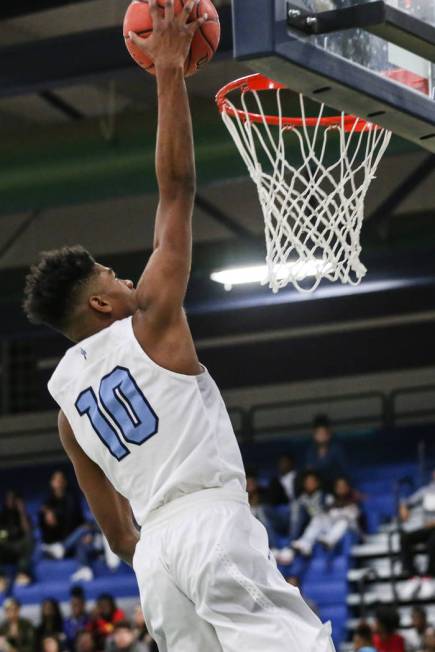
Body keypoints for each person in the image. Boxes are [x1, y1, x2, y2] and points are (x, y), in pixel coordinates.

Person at [22, 3, 335, 651]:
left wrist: (154, 553)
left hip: (156, 559)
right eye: (112, 275)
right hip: (211, 524)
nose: (126, 278)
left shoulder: (66, 408)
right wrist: (168, 70)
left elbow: (112, 530)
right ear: (101, 306)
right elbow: (177, 191)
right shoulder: (149, 323)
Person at [290, 476, 360, 556]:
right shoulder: (332, 500)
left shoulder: (354, 499)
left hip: (352, 531)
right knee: (318, 518)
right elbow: (329, 514)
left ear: (347, 487)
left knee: (343, 521)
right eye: (338, 486)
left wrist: (338, 512)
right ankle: (305, 543)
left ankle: (329, 540)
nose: (340, 488)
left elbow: (353, 518)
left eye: (343, 486)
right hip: (333, 528)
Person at [399, 470, 435, 601]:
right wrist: (404, 509)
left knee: (433, 540)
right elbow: (407, 502)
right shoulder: (427, 490)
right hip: (426, 527)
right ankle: (413, 576)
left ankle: (428, 577)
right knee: (405, 537)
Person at [0, 490, 33, 590]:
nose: (11, 501)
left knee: (28, 541)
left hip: (20, 547)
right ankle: (1, 578)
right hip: (5, 548)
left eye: (13, 499)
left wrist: (21, 511)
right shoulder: (2, 516)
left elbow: (28, 531)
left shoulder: (22, 516)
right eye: (9, 499)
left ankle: (22, 573)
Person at [305, 415, 348, 486]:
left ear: (329, 434)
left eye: (323, 433)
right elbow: (309, 471)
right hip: (318, 485)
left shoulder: (336, 449)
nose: (321, 436)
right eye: (318, 433)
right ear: (314, 435)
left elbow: (344, 470)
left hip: (334, 484)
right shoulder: (311, 451)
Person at [64, 587, 90, 651]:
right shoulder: (66, 622)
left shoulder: (90, 620)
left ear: (84, 605)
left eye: (78, 604)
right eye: (73, 604)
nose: (76, 607)